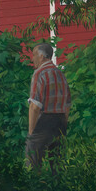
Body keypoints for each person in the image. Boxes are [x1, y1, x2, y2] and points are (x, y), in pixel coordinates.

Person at [26, 42, 71, 173]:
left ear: (42, 56)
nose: (32, 58)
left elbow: (35, 107)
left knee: (33, 161)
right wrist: (64, 123)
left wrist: (31, 132)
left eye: (34, 55)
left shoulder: (39, 73)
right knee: (57, 164)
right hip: (60, 122)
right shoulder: (60, 74)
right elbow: (67, 104)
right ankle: (57, 190)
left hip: (44, 122)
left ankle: (34, 189)